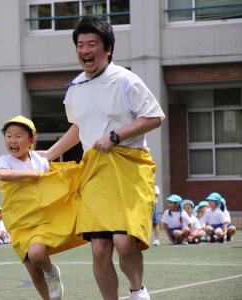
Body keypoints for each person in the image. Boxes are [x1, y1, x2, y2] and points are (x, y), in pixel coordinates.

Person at [38, 15, 165, 299]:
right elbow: (79, 127)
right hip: (94, 172)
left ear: (107, 49)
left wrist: (116, 135)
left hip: (129, 168)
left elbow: (155, 117)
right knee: (99, 249)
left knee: (123, 241)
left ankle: (137, 290)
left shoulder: (126, 80)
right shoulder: (74, 88)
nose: (85, 50)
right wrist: (49, 153)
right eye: (80, 44)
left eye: (92, 44)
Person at [0, 116, 64, 300]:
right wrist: (29, 174)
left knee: (37, 255)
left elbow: (52, 182)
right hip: (17, 223)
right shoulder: (5, 161)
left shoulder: (40, 161)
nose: (12, 141)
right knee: (33, 270)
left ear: (31, 140)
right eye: (8, 136)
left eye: (18, 136)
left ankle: (52, 272)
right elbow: (2, 174)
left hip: (40, 220)